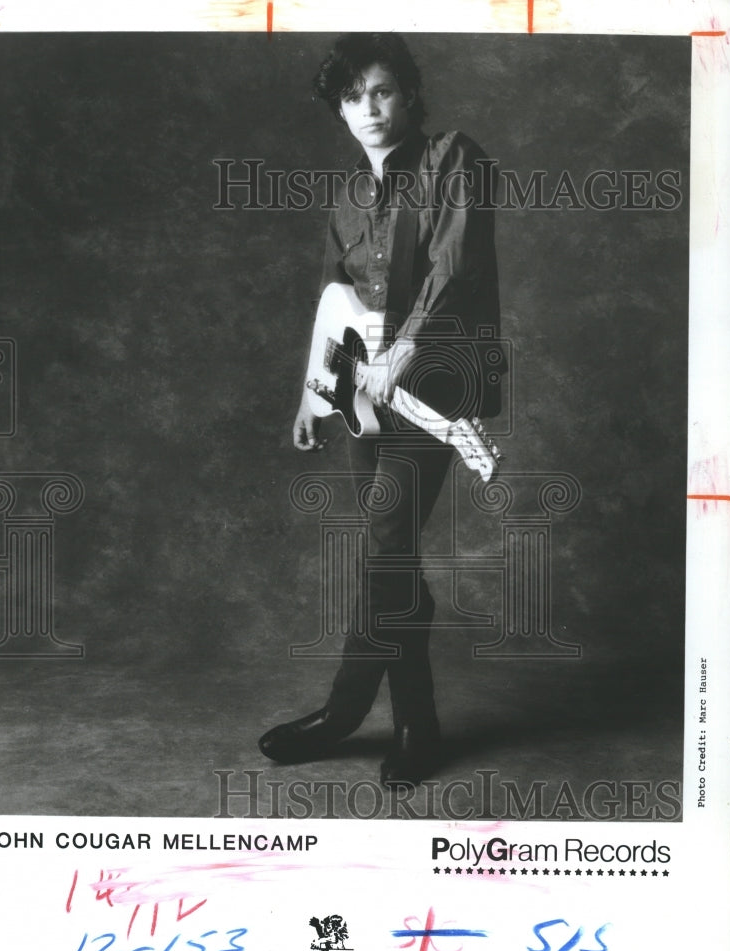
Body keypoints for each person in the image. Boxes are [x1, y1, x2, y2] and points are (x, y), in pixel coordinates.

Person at [259, 32, 502, 786]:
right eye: (352, 96)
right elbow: (337, 305)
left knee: (385, 548)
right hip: (364, 402)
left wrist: (404, 349)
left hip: (435, 386)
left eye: (382, 89)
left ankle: (355, 712)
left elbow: (453, 269)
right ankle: (404, 721)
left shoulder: (454, 158)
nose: (368, 107)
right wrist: (313, 392)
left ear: (409, 92)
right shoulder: (349, 198)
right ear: (339, 110)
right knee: (390, 558)